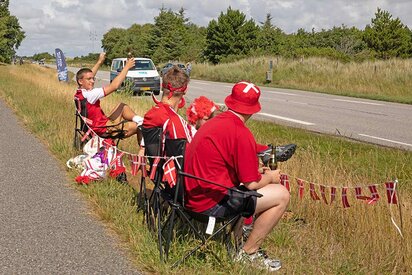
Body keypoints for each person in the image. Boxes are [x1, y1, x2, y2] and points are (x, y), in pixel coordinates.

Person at [184, 81, 290, 272]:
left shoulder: (216, 121)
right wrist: (271, 177)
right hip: (209, 204)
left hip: (191, 195)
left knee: (244, 189)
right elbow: (251, 183)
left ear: (231, 102)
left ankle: (238, 242)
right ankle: (248, 253)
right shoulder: (241, 133)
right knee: (281, 195)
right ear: (253, 110)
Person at [75, 53, 144, 182]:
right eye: (89, 79)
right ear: (81, 81)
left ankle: (138, 118)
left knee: (122, 106)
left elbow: (88, 74)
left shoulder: (80, 92)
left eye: (93, 78)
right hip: (103, 130)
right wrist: (127, 67)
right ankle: (142, 154)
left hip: (96, 127)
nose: (93, 81)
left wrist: (100, 62)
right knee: (141, 127)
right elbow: (114, 86)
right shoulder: (91, 95)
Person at [142, 65, 195, 141]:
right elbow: (182, 151)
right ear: (185, 90)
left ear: (161, 87)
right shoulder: (175, 122)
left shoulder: (151, 113)